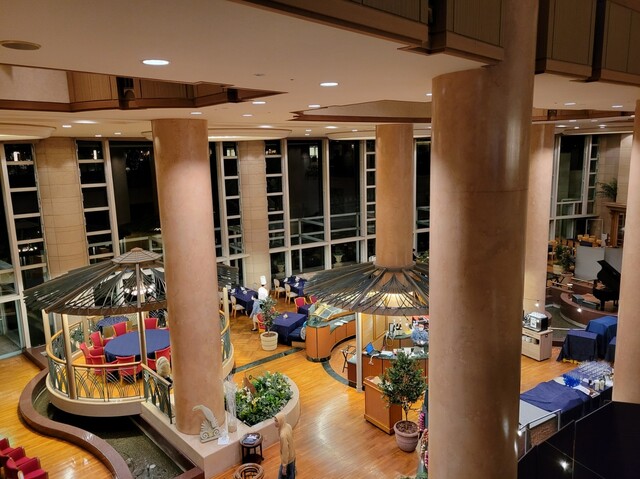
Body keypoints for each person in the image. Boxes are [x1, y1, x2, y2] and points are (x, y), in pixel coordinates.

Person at [274, 412, 296, 478]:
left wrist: (284, 466)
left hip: (288, 460)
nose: (274, 423)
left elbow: (285, 450)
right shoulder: (288, 426)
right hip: (292, 456)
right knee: (291, 475)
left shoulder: (283, 435)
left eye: (276, 421)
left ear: (281, 421)